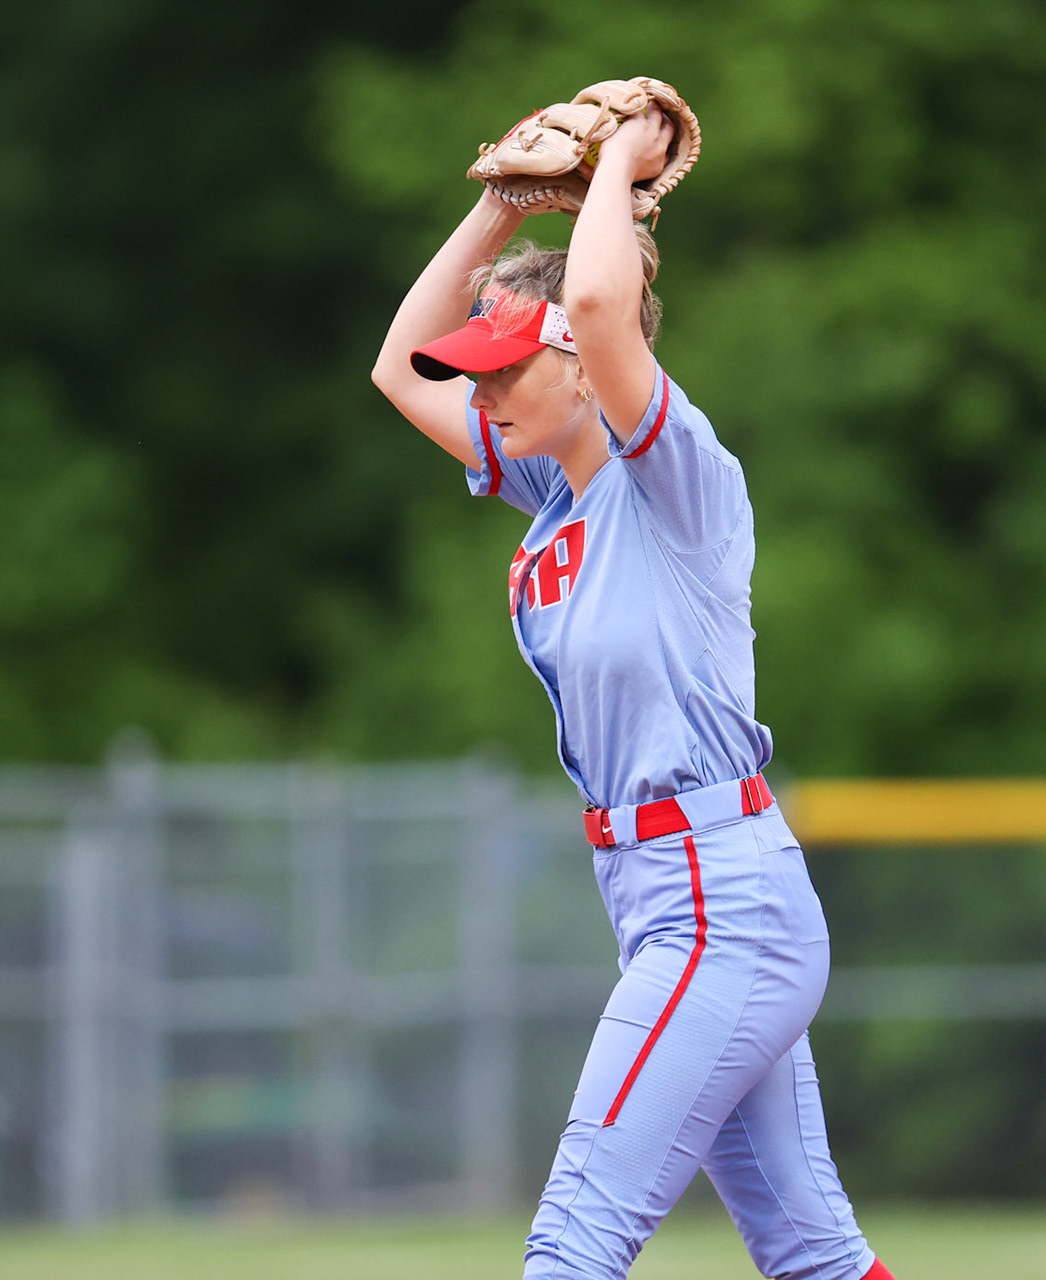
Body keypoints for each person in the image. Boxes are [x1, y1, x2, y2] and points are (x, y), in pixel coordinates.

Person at [371, 106, 893, 1280]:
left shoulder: (676, 480)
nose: (487, 389)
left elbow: (605, 306)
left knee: (572, 1242)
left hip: (722, 899)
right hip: (664, 897)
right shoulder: (548, 490)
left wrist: (612, 168)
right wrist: (504, 207)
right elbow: (401, 367)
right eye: (486, 370)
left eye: (508, 364)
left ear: (576, 360)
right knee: (814, 1254)